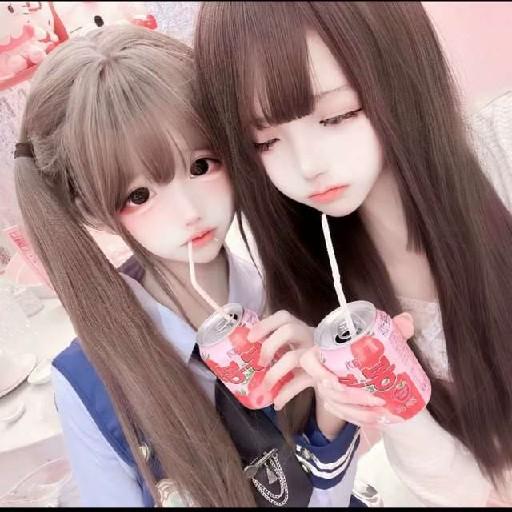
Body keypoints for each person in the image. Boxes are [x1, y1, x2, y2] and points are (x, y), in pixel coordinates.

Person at [14, 24, 364, 507]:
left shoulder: (289, 287)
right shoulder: (91, 384)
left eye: (202, 166)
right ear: (90, 209)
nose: (189, 212)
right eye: (139, 195)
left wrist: (331, 407)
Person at [194, 1, 512, 506]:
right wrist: (367, 388)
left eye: (337, 115)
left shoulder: (503, 157)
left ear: (399, 67)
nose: (307, 165)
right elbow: (459, 491)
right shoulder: (319, 280)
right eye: (265, 141)